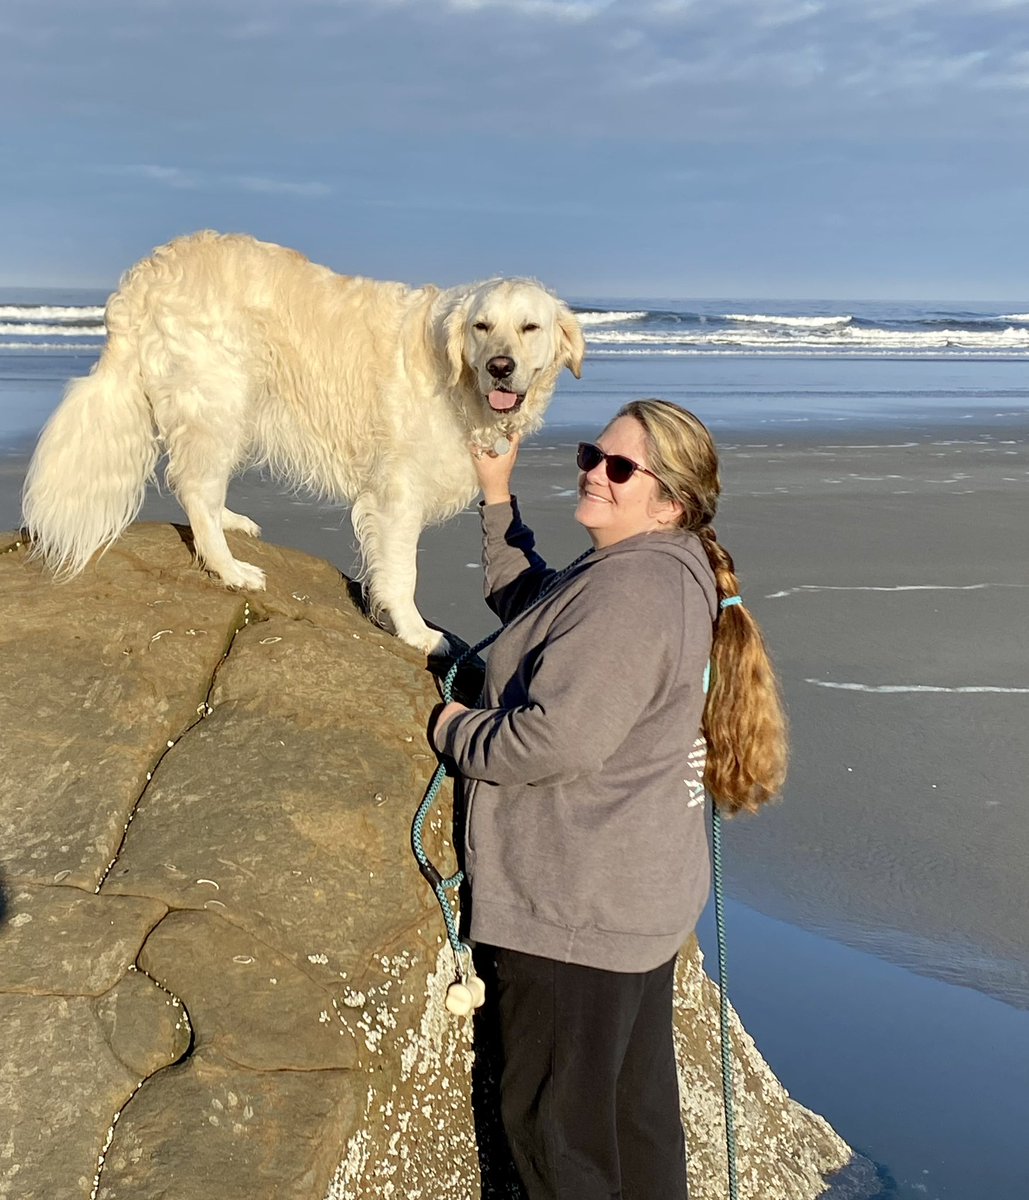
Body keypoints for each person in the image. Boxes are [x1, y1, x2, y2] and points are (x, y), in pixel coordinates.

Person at [430, 398, 787, 1200]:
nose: (594, 471)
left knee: (559, 1142)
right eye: (594, 453)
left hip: (577, 913)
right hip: (633, 902)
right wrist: (497, 499)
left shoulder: (632, 594)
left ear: (670, 501)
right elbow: (540, 615)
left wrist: (452, 727)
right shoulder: (659, 569)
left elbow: (552, 743)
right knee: (634, 1127)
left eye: (620, 468)